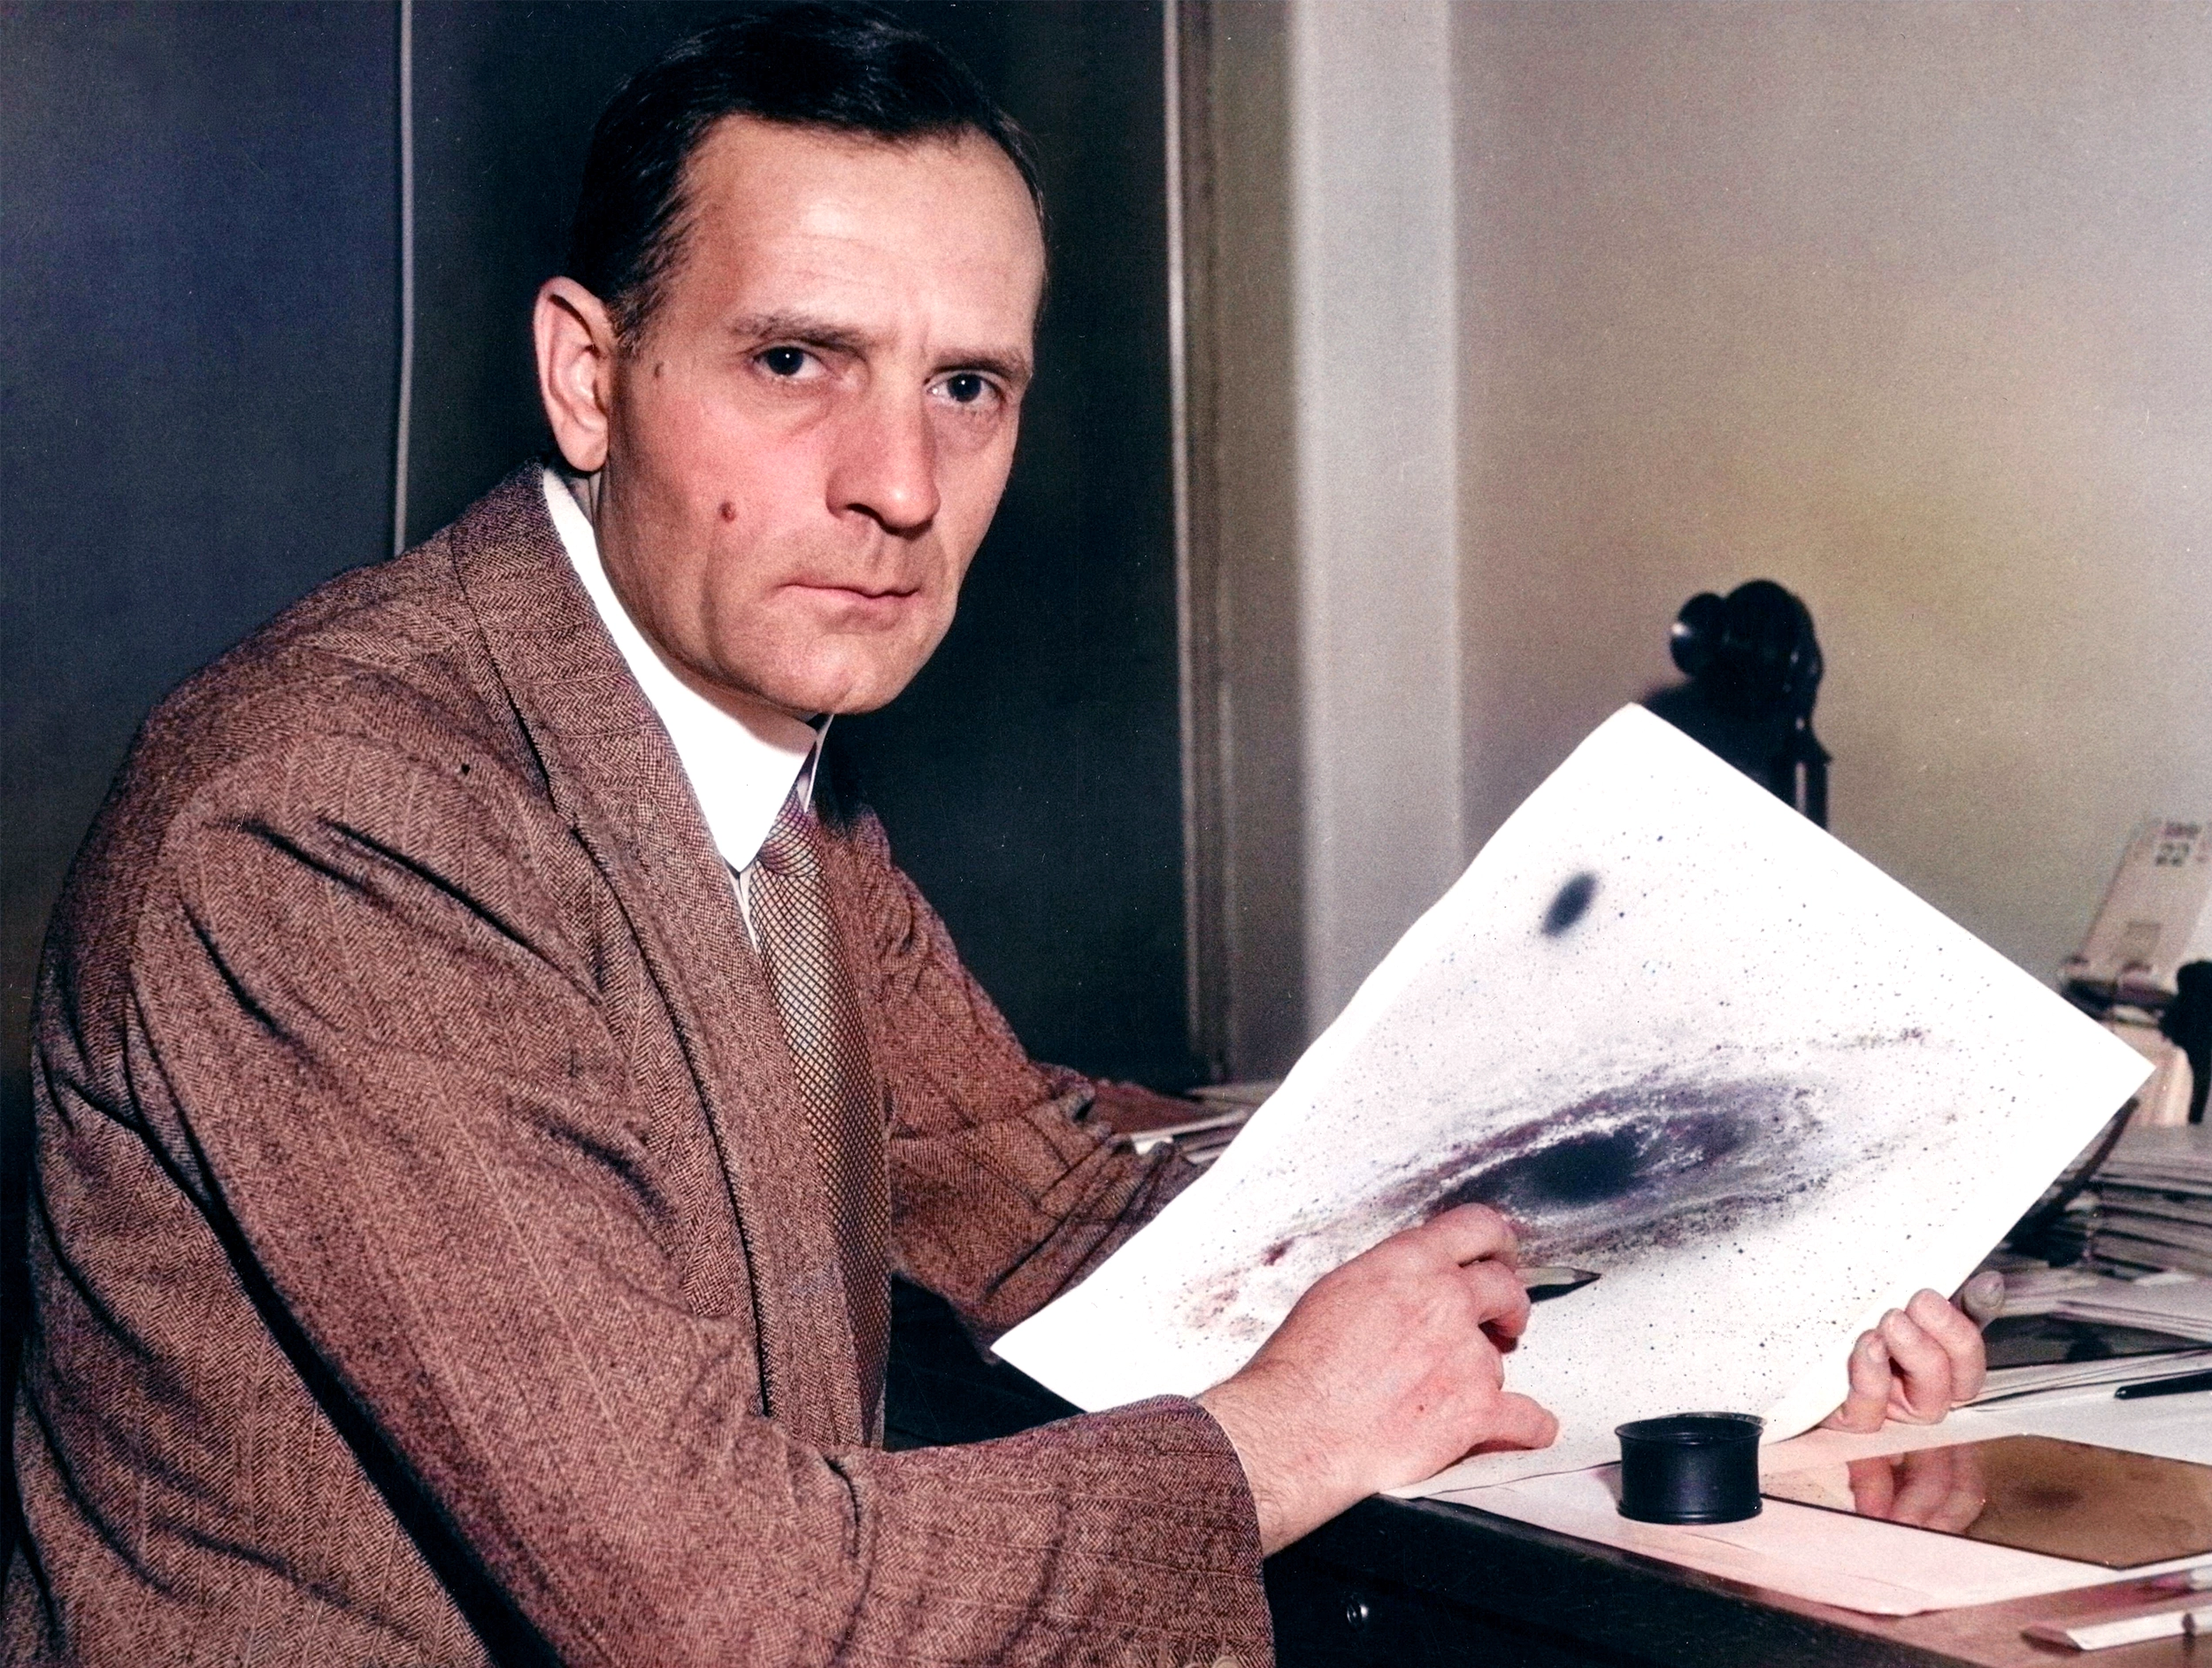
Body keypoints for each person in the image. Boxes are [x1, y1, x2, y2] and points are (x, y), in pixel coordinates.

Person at [6, 8, 1987, 1664]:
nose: (897, 484)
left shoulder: (753, 765)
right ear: (587, 377)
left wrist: (1708, 1333)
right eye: (796, 364)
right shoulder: (341, 819)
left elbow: (1045, 1217)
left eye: (969, 386)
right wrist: (1272, 1444)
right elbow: (709, 1608)